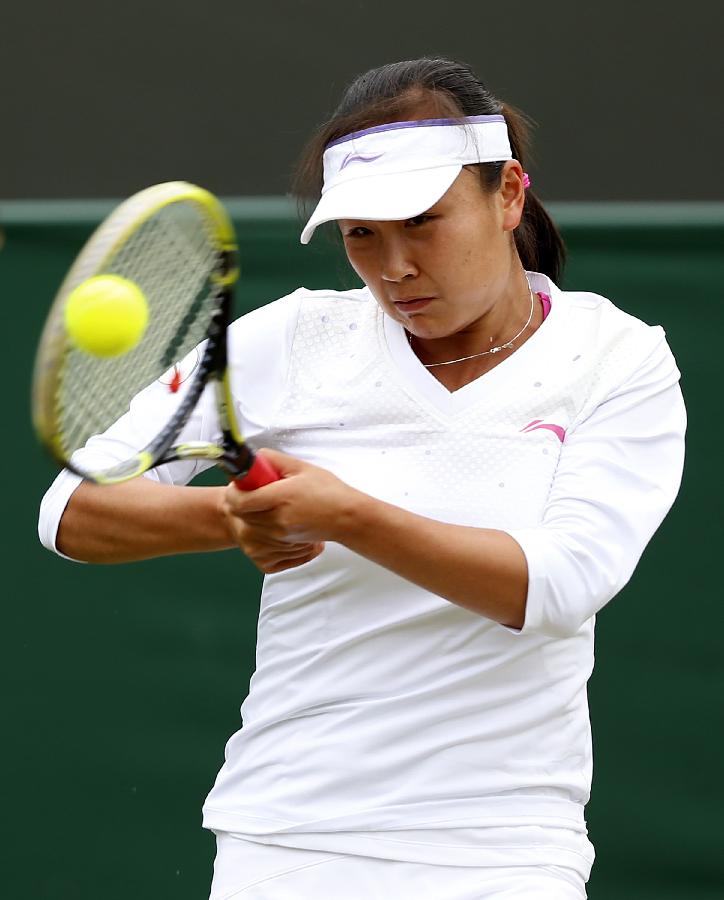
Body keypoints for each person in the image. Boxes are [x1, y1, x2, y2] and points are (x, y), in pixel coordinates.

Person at [38, 57, 686, 899]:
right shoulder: (290, 338)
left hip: (507, 844)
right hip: (290, 836)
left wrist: (346, 515)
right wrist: (232, 519)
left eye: (423, 222)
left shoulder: (617, 358)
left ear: (509, 195)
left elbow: (561, 584)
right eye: (362, 235)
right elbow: (70, 511)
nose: (395, 266)